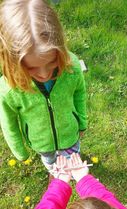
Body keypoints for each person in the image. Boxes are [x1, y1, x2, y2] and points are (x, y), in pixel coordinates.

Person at [0, 0, 87, 174]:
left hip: (70, 135)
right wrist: (19, 151)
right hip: (42, 144)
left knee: (72, 159)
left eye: (52, 62)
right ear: (12, 62)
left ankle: (70, 170)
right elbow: (8, 121)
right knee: (52, 164)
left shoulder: (72, 68)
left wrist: (82, 123)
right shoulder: (9, 89)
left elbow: (79, 93)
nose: (44, 73)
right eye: (31, 67)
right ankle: (55, 173)